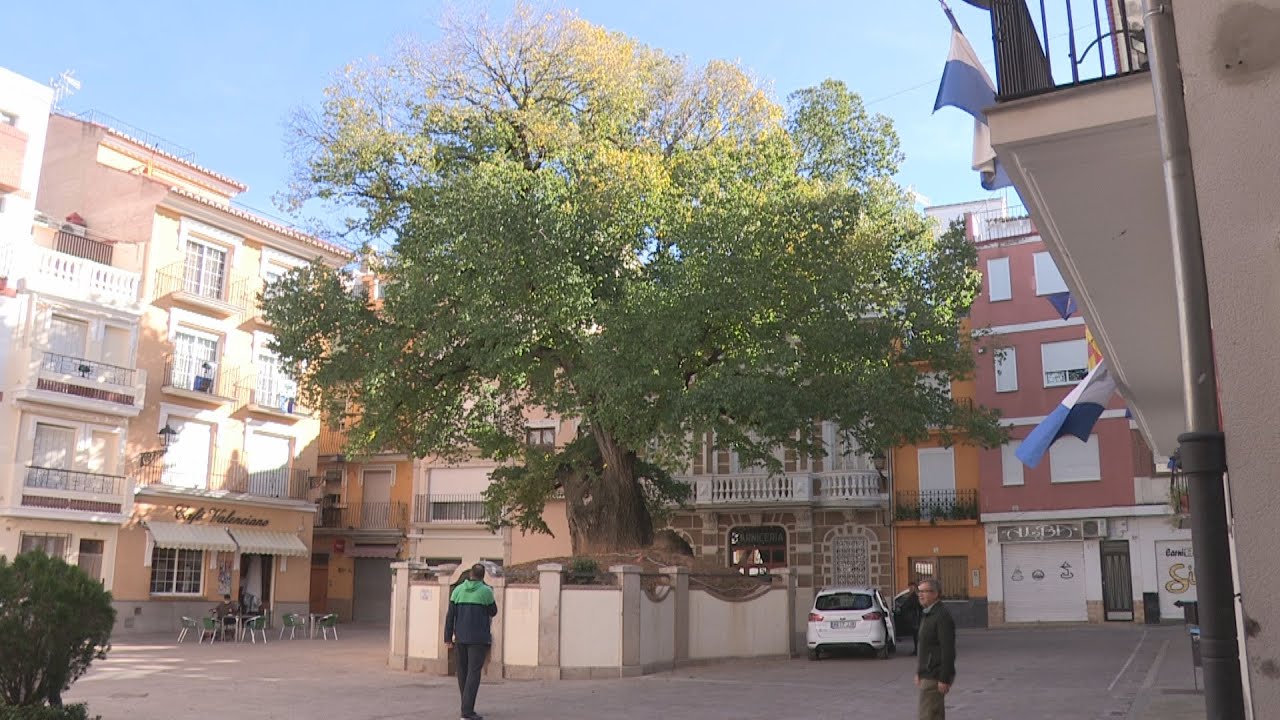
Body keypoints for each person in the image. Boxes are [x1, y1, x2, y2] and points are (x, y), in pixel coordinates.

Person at [444, 563, 498, 720]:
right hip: (479, 639)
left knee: (462, 672)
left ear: (470, 574)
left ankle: (465, 705)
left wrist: (447, 637)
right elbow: (493, 612)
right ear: (483, 576)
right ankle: (467, 711)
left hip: (460, 638)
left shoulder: (457, 591)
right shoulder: (486, 592)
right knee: (474, 673)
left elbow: (450, 616)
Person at [914, 578, 956, 720]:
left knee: (927, 716)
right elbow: (925, 647)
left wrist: (944, 678)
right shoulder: (928, 613)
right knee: (934, 715)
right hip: (927, 674)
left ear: (936, 594)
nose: (921, 594)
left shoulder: (941, 616)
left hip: (935, 675)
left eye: (925, 591)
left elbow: (948, 650)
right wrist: (919, 672)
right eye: (919, 591)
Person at [901, 581, 924, 656]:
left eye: (911, 587)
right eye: (909, 587)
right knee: (916, 635)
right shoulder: (913, 596)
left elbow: (916, 606)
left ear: (914, 587)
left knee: (917, 635)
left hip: (917, 618)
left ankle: (918, 650)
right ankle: (917, 650)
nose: (910, 589)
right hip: (916, 618)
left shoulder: (915, 596)